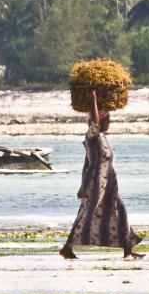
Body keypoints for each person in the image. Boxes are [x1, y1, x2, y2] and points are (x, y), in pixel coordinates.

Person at [60, 90, 143, 259]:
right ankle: (67, 248)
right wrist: (94, 100)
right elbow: (95, 123)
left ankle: (127, 248)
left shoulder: (102, 138)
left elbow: (86, 162)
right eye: (108, 120)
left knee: (119, 210)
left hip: (109, 184)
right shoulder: (93, 136)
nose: (109, 123)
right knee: (87, 213)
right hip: (96, 183)